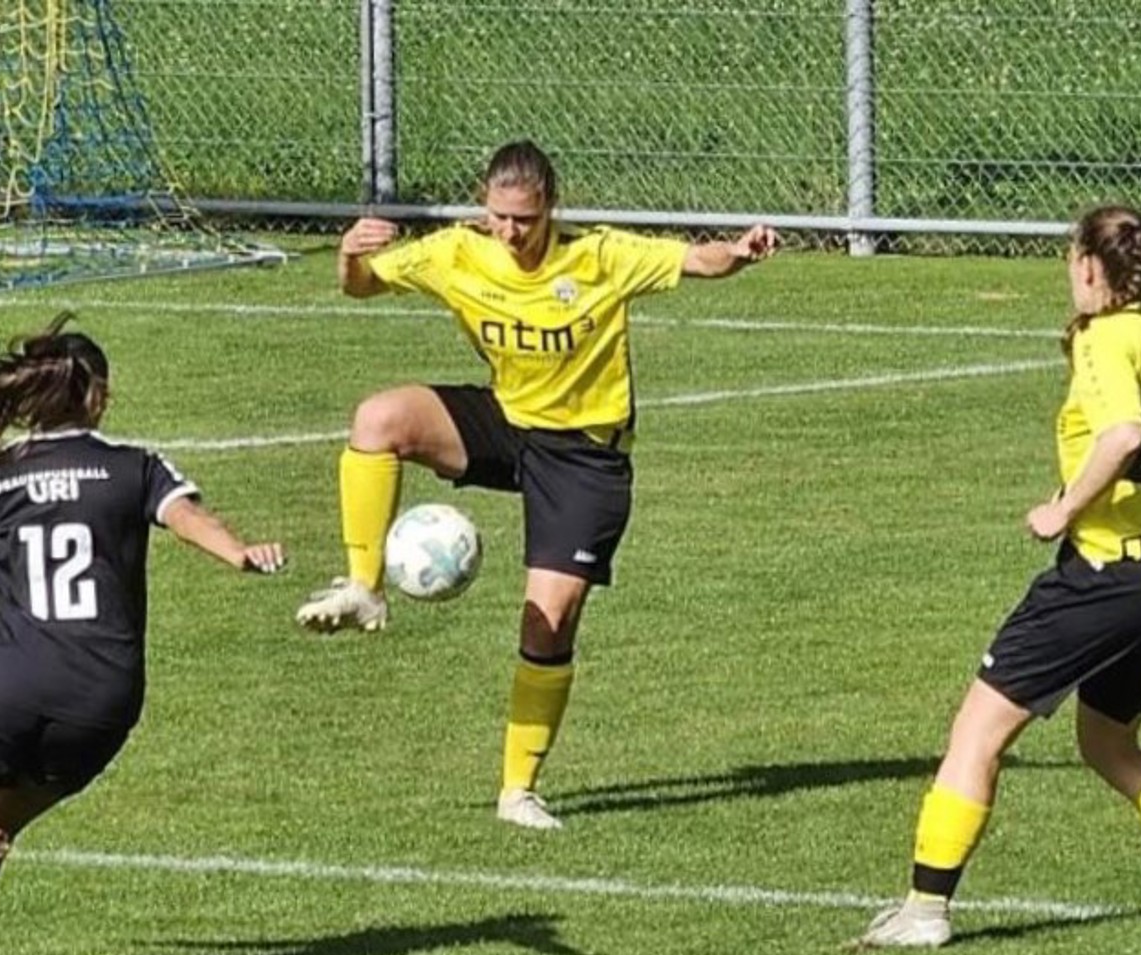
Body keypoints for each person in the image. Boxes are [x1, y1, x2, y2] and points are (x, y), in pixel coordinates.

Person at [294, 140, 778, 830]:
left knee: (545, 623)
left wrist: (740, 250)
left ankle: (517, 791)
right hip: (508, 422)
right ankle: (364, 588)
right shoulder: (460, 251)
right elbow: (363, 284)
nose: (510, 232)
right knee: (379, 418)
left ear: (550, 206)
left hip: (585, 455)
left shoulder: (598, 256)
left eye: (524, 219)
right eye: (499, 217)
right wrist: (348, 254)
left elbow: (697, 260)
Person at [855, 205, 1141, 948]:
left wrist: (1065, 506)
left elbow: (1123, 432)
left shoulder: (1102, 338)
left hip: (1107, 577)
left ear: (1089, 266)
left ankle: (923, 911)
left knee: (977, 732)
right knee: (1110, 744)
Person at [0, 314, 285, 955]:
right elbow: (187, 516)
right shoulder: (133, 467)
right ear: (99, 395)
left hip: (11, 682)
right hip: (103, 700)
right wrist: (239, 552)